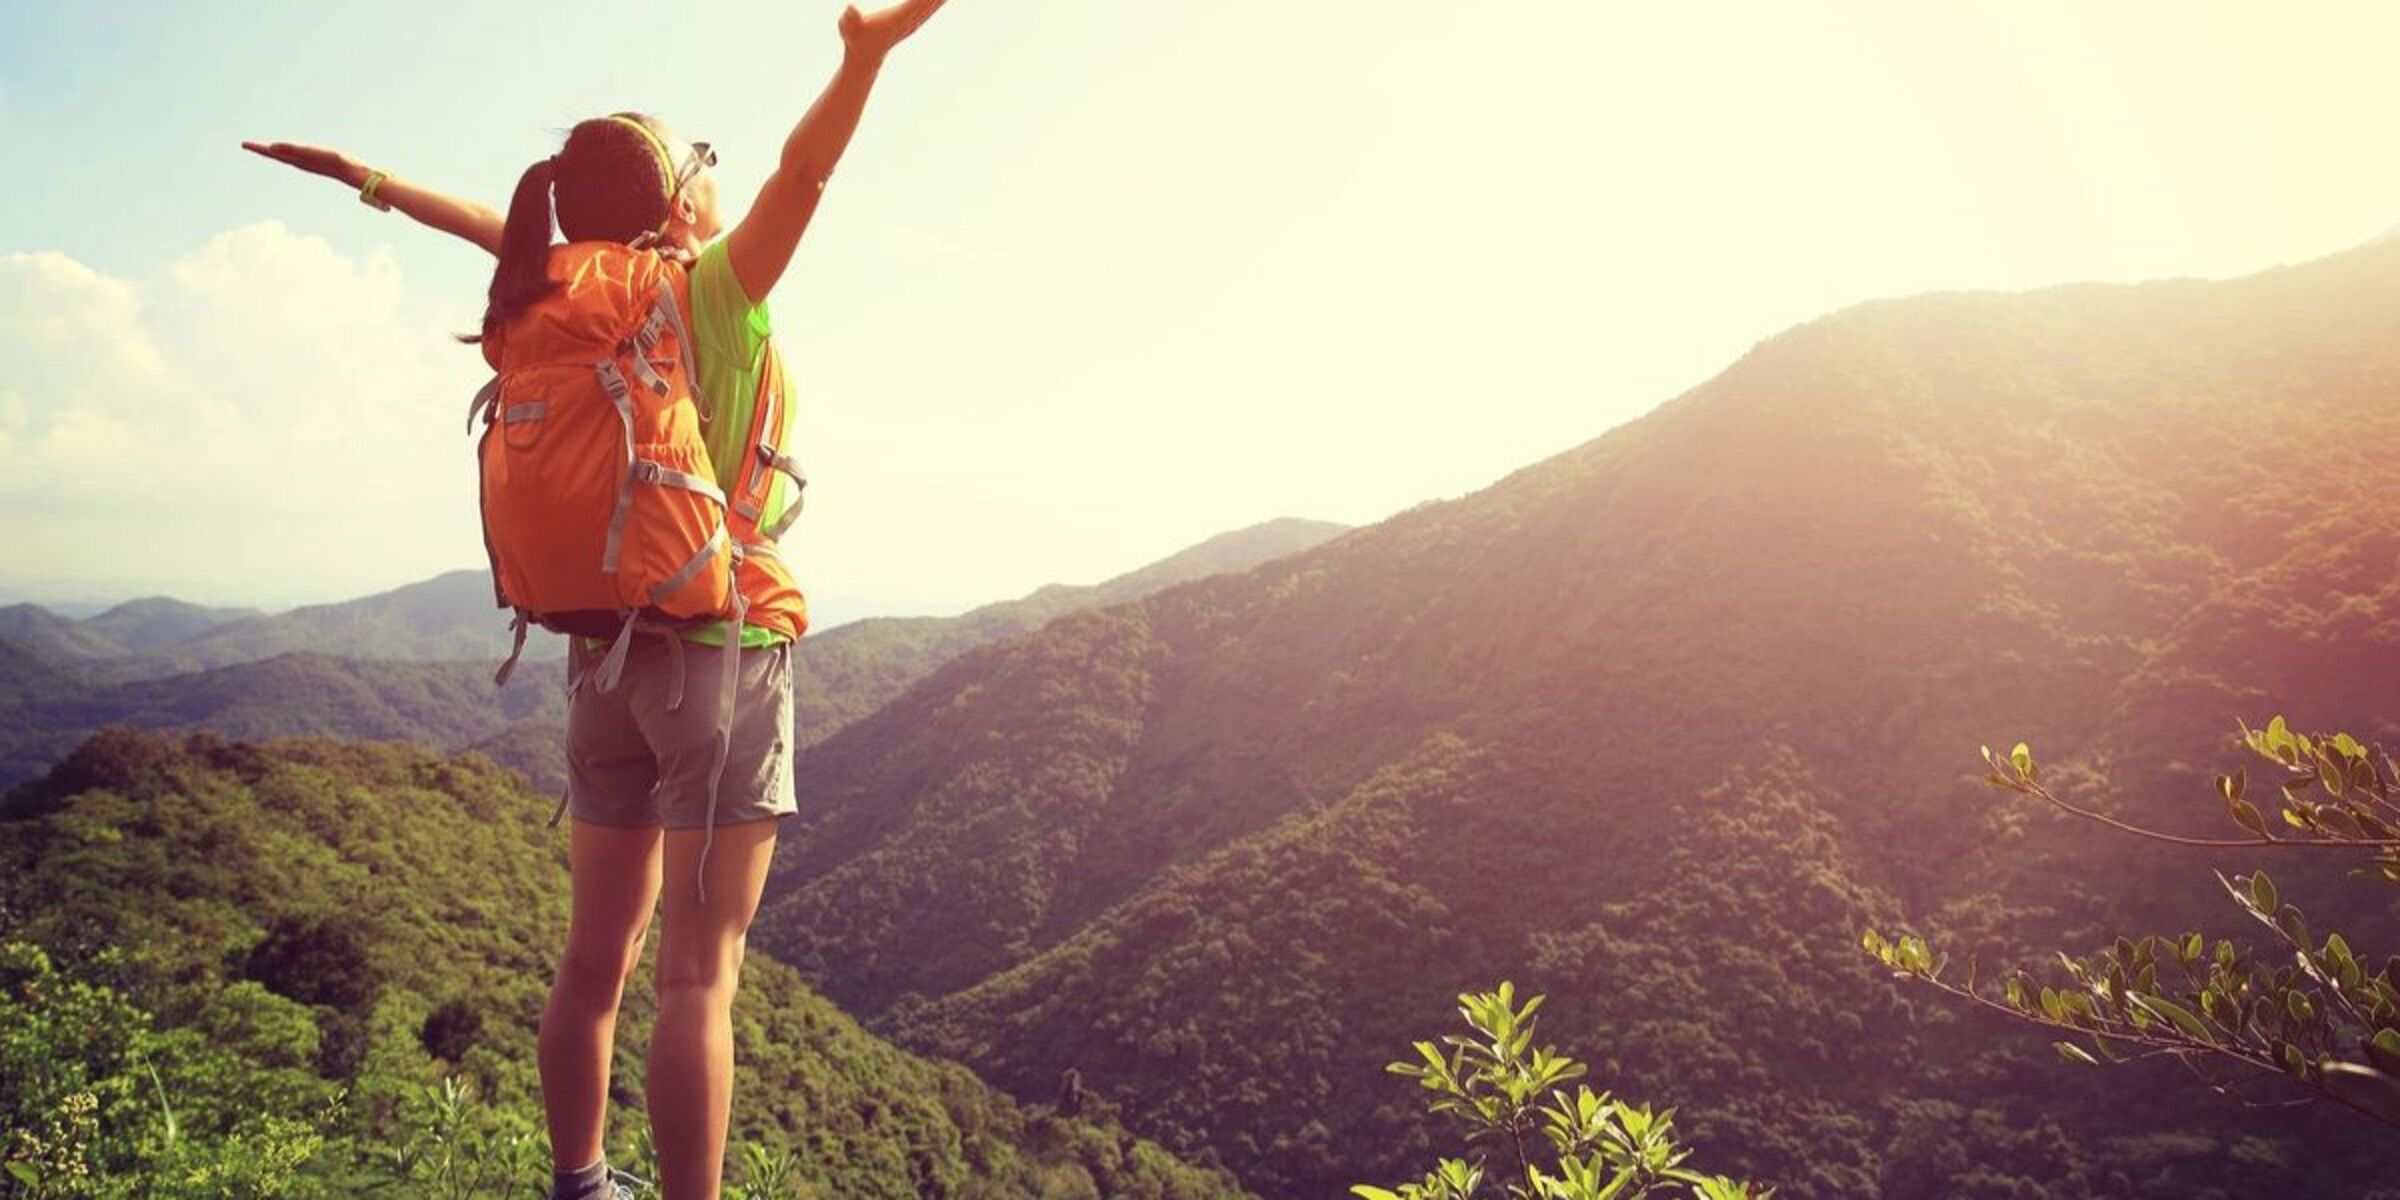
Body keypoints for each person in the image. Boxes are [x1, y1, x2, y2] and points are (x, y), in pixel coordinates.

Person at [245, 4, 950, 1197]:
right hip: (719, 659)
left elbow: (480, 222)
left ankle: (579, 1182)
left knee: (592, 966)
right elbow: (807, 170)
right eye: (701, 166)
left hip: (596, 662)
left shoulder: (545, 288)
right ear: (680, 205)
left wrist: (366, 179)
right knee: (697, 977)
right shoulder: (708, 296)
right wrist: (863, 59)